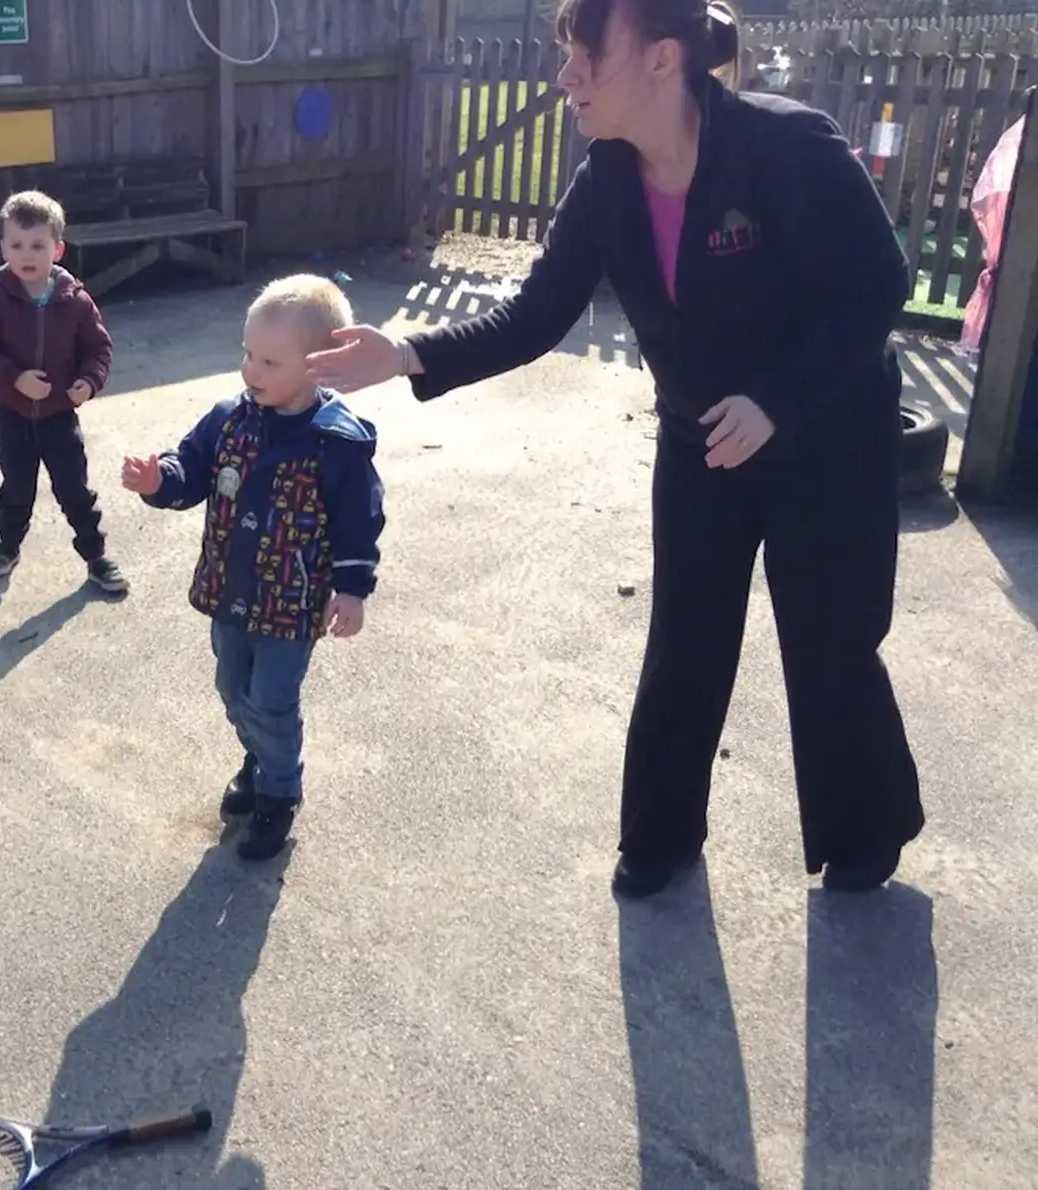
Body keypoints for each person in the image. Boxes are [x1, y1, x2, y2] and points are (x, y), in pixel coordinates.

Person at [305, 0, 924, 898]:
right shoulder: (606, 184)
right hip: (699, 440)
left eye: (585, 58)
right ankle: (661, 834)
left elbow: (878, 286)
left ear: (663, 58)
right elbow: (535, 314)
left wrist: (777, 403)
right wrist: (407, 353)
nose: (566, 80)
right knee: (687, 636)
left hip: (829, 434)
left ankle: (865, 829)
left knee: (831, 639)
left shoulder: (787, 147)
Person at [122, 275, 386, 860]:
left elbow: (359, 519)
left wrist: (352, 589)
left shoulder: (336, 443)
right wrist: (156, 480)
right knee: (230, 687)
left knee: (270, 699)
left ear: (317, 368)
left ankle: (278, 794)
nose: (252, 371)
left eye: (269, 360)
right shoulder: (227, 419)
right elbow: (187, 469)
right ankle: (259, 755)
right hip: (231, 590)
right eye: (247, 354)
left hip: (291, 604)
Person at [0, 190, 129, 596]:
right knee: (16, 487)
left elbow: (99, 349)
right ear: (3, 247)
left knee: (74, 488)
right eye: (16, 245)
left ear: (57, 249)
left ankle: (96, 556)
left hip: (59, 415)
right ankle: (7, 546)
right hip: (15, 415)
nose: (26, 254)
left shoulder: (75, 301)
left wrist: (88, 383)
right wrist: (13, 378)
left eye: (37, 245)